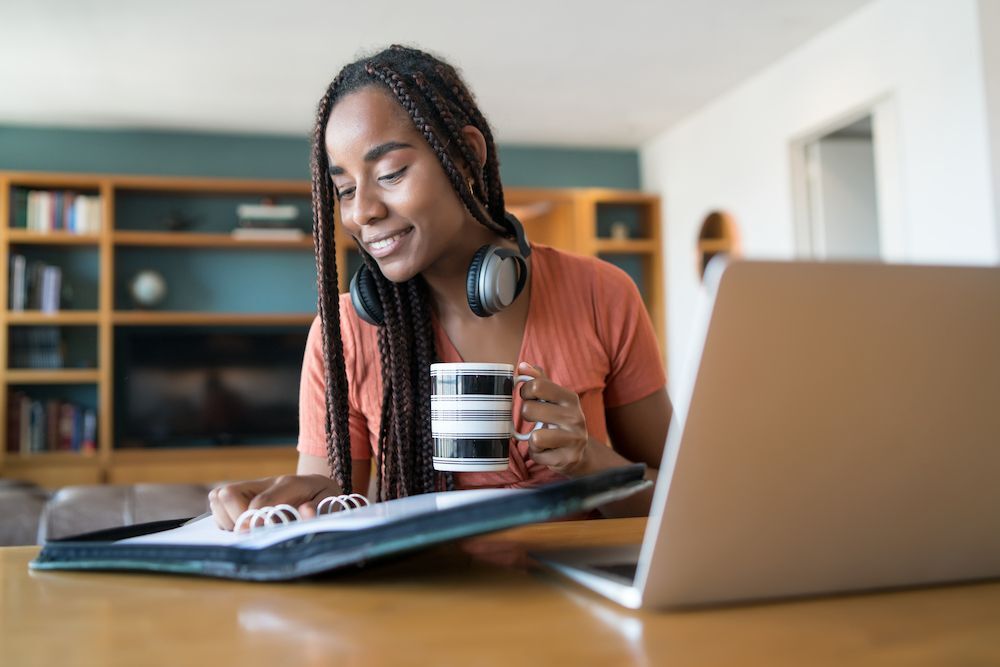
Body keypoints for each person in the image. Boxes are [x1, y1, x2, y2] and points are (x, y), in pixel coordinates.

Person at [209, 45, 671, 530]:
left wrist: (588, 461)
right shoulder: (342, 334)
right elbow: (324, 511)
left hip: (584, 598)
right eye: (345, 190)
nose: (362, 211)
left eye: (390, 174)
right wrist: (296, 510)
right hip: (426, 603)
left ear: (467, 156)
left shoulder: (601, 294)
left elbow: (683, 504)